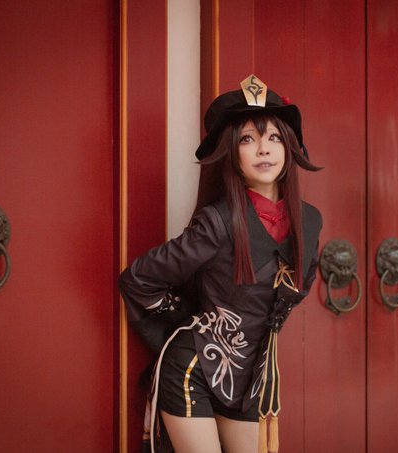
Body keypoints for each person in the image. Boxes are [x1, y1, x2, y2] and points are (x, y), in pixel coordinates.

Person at [119, 75, 322, 453]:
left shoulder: (309, 221)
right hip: (192, 371)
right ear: (231, 152)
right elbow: (138, 279)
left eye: (274, 137)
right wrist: (192, 324)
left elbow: (292, 294)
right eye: (248, 139)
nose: (263, 148)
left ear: (289, 146)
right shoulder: (217, 221)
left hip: (252, 380)